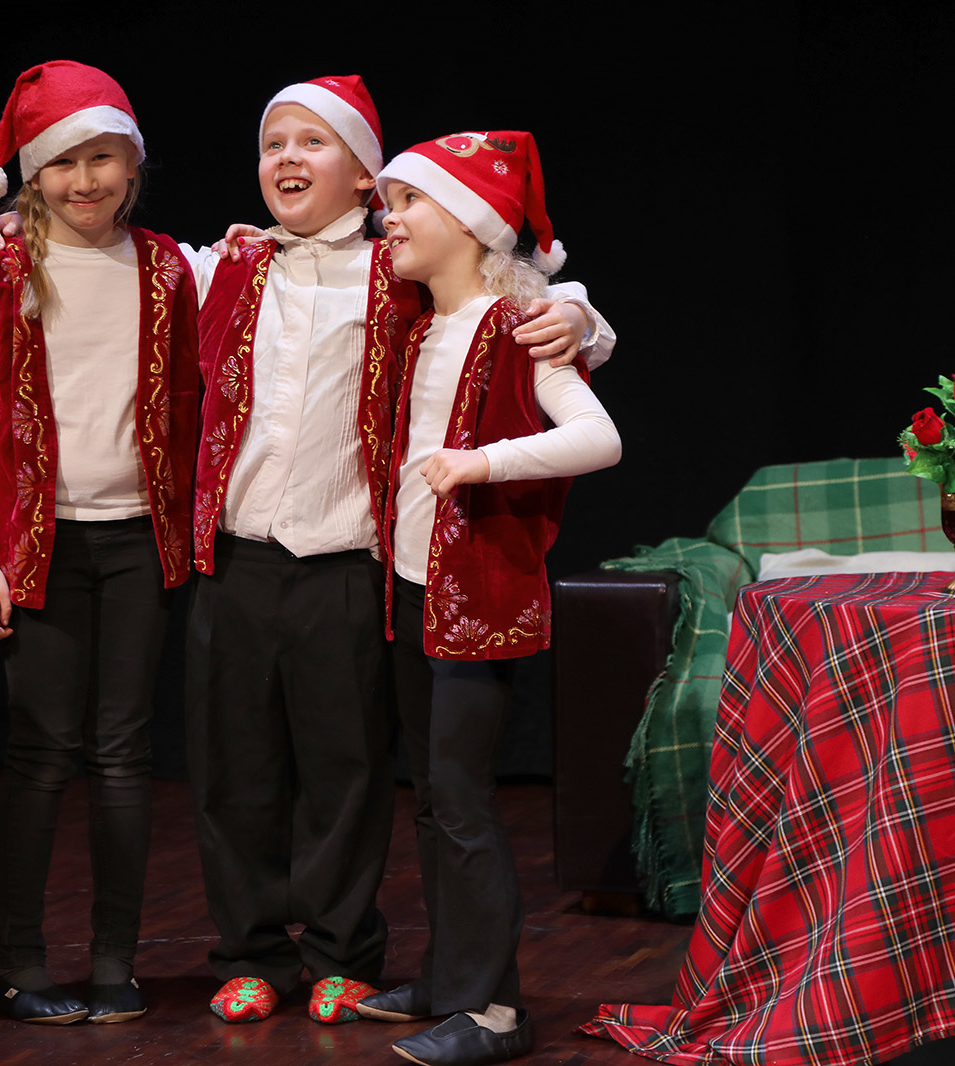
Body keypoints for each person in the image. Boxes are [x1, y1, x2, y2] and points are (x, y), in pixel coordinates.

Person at [0, 75, 614, 1027]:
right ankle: (251, 952)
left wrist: (585, 317)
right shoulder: (218, 266)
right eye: (274, 144)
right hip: (236, 560)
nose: (287, 160)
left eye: (313, 142)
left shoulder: (402, 272)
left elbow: (509, 296)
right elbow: (104, 255)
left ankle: (343, 952)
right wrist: (8, 230)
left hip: (348, 561)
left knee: (345, 771)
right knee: (235, 770)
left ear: (364, 176)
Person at [353, 131, 621, 1066]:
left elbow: (598, 438)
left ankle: (497, 1010)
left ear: (469, 224)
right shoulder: (419, 322)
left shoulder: (522, 327)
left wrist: (481, 463)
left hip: (479, 596)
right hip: (414, 589)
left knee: (463, 801)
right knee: (432, 798)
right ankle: (448, 979)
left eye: (408, 203)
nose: (389, 220)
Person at [0, 61, 197, 1027]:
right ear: (32, 175)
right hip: (38, 548)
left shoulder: (169, 268)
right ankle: (20, 967)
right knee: (42, 754)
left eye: (102, 160)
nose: (84, 181)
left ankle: (114, 963)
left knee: (125, 753)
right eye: (62, 163)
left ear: (132, 168)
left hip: (135, 542)